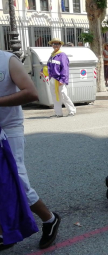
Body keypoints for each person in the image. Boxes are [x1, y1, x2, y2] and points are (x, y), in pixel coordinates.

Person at [0, 50, 61, 250]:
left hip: (9, 128)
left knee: (17, 181)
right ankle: (5, 230)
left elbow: (31, 93)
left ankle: (49, 219)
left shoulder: (7, 60)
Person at [47, 38, 76, 117]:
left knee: (63, 95)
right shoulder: (52, 55)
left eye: (57, 44)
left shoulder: (62, 55)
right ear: (52, 45)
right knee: (55, 96)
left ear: (60, 45)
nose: (55, 45)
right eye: (54, 44)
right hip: (52, 78)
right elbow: (48, 66)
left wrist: (62, 79)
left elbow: (65, 68)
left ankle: (72, 111)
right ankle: (58, 113)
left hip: (59, 79)